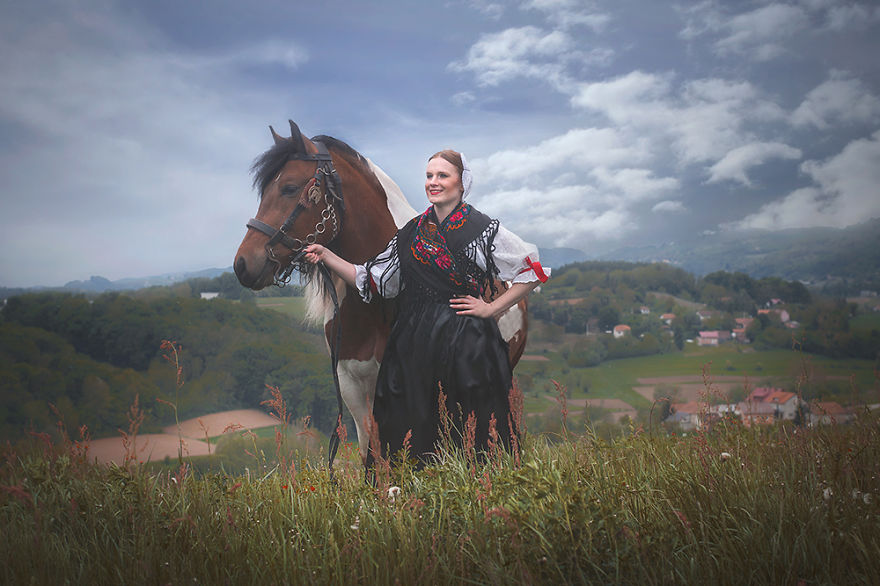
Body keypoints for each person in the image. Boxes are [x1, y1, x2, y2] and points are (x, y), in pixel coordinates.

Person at [304, 149, 549, 466]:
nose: (434, 182)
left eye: (443, 175)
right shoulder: (411, 233)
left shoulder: (482, 229)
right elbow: (373, 278)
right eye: (429, 176)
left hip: (469, 342)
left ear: (462, 183)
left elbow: (531, 270)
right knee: (413, 435)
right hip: (415, 344)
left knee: (474, 437)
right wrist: (327, 255)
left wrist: (491, 309)